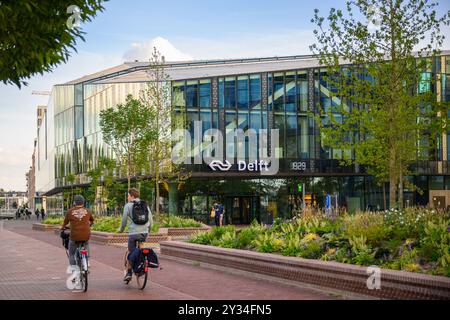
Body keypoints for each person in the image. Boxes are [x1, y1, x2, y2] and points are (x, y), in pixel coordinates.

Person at [119, 188, 153, 282]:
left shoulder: (128, 205)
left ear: (132, 196)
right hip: (144, 233)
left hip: (133, 233)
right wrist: (148, 231)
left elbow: (124, 220)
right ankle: (142, 264)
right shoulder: (144, 204)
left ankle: (129, 273)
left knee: (131, 252)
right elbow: (151, 220)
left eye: (128, 196)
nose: (127, 197)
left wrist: (121, 230)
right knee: (141, 248)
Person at [61, 195, 94, 273]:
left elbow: (65, 223)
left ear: (74, 203)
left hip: (74, 236)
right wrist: (89, 225)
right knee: (86, 244)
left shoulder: (69, 211)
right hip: (86, 235)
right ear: (83, 202)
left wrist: (62, 228)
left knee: (71, 253)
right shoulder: (88, 211)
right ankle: (87, 261)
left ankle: (74, 270)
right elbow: (92, 220)